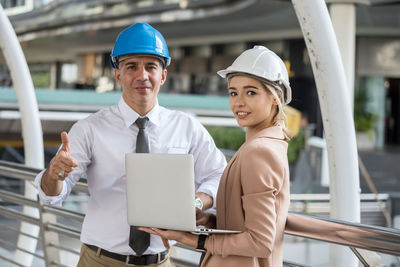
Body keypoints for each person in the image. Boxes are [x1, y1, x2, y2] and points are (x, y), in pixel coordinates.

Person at [34, 23, 227, 267]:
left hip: (162, 261)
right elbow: (51, 196)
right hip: (100, 261)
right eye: (132, 66)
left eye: (151, 67)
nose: (142, 75)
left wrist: (197, 202)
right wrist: (55, 173)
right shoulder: (90, 129)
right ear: (117, 75)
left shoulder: (187, 126)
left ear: (163, 75)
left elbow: (220, 175)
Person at [140, 45, 292, 267]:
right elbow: (252, 225)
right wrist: (210, 220)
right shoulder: (270, 145)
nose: (238, 102)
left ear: (276, 97)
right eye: (233, 92)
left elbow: (260, 241)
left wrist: (192, 239)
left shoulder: (259, 152)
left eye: (251, 92)